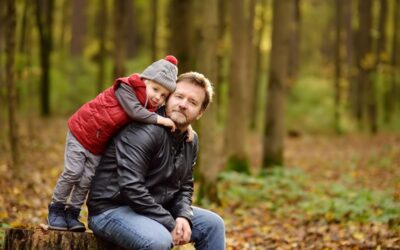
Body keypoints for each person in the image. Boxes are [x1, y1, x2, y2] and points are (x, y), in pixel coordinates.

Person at [87, 72, 226, 249]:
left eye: (192, 102)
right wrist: (169, 222)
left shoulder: (191, 139)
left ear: (200, 112)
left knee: (213, 225)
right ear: (167, 98)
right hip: (111, 209)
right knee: (158, 240)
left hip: (154, 207)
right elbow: (131, 187)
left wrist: (183, 215)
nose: (183, 105)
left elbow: (185, 185)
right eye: (179, 96)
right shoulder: (145, 130)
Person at [48, 55, 186, 232]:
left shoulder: (149, 104)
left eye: (163, 95)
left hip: (98, 144)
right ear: (144, 79)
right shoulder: (126, 87)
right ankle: (56, 208)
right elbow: (135, 112)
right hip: (81, 133)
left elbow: (169, 115)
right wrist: (161, 120)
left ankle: (72, 213)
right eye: (155, 89)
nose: (158, 97)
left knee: (86, 180)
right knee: (73, 173)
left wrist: (186, 128)